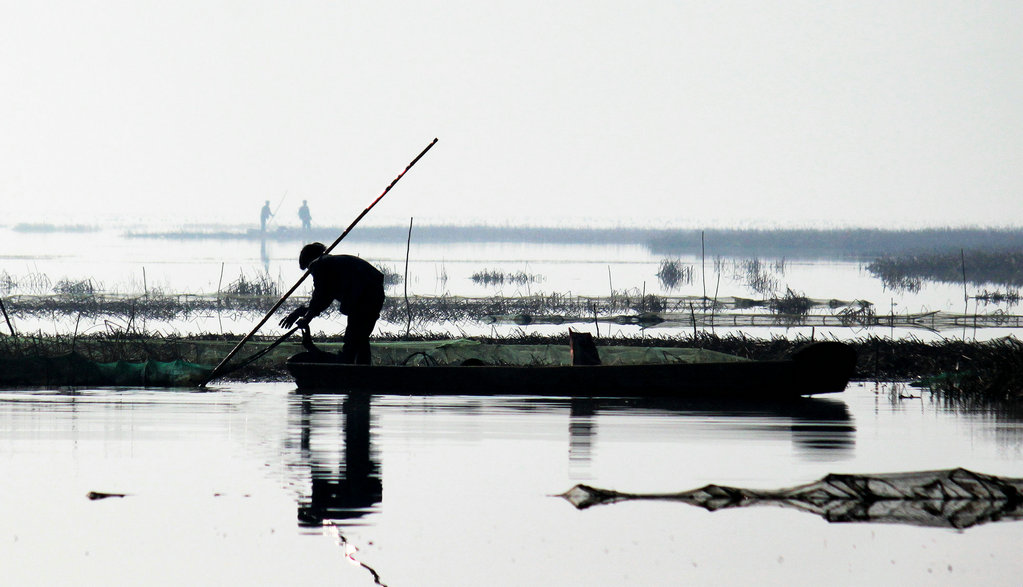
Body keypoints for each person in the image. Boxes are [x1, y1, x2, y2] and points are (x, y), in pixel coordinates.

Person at [279, 242, 385, 365]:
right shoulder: (333, 263)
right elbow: (325, 297)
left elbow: (321, 296)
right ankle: (362, 371)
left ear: (309, 260)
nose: (311, 272)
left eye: (309, 268)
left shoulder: (319, 264)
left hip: (363, 298)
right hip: (373, 297)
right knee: (360, 339)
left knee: (354, 340)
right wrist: (301, 311)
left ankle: (356, 372)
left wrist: (307, 318)